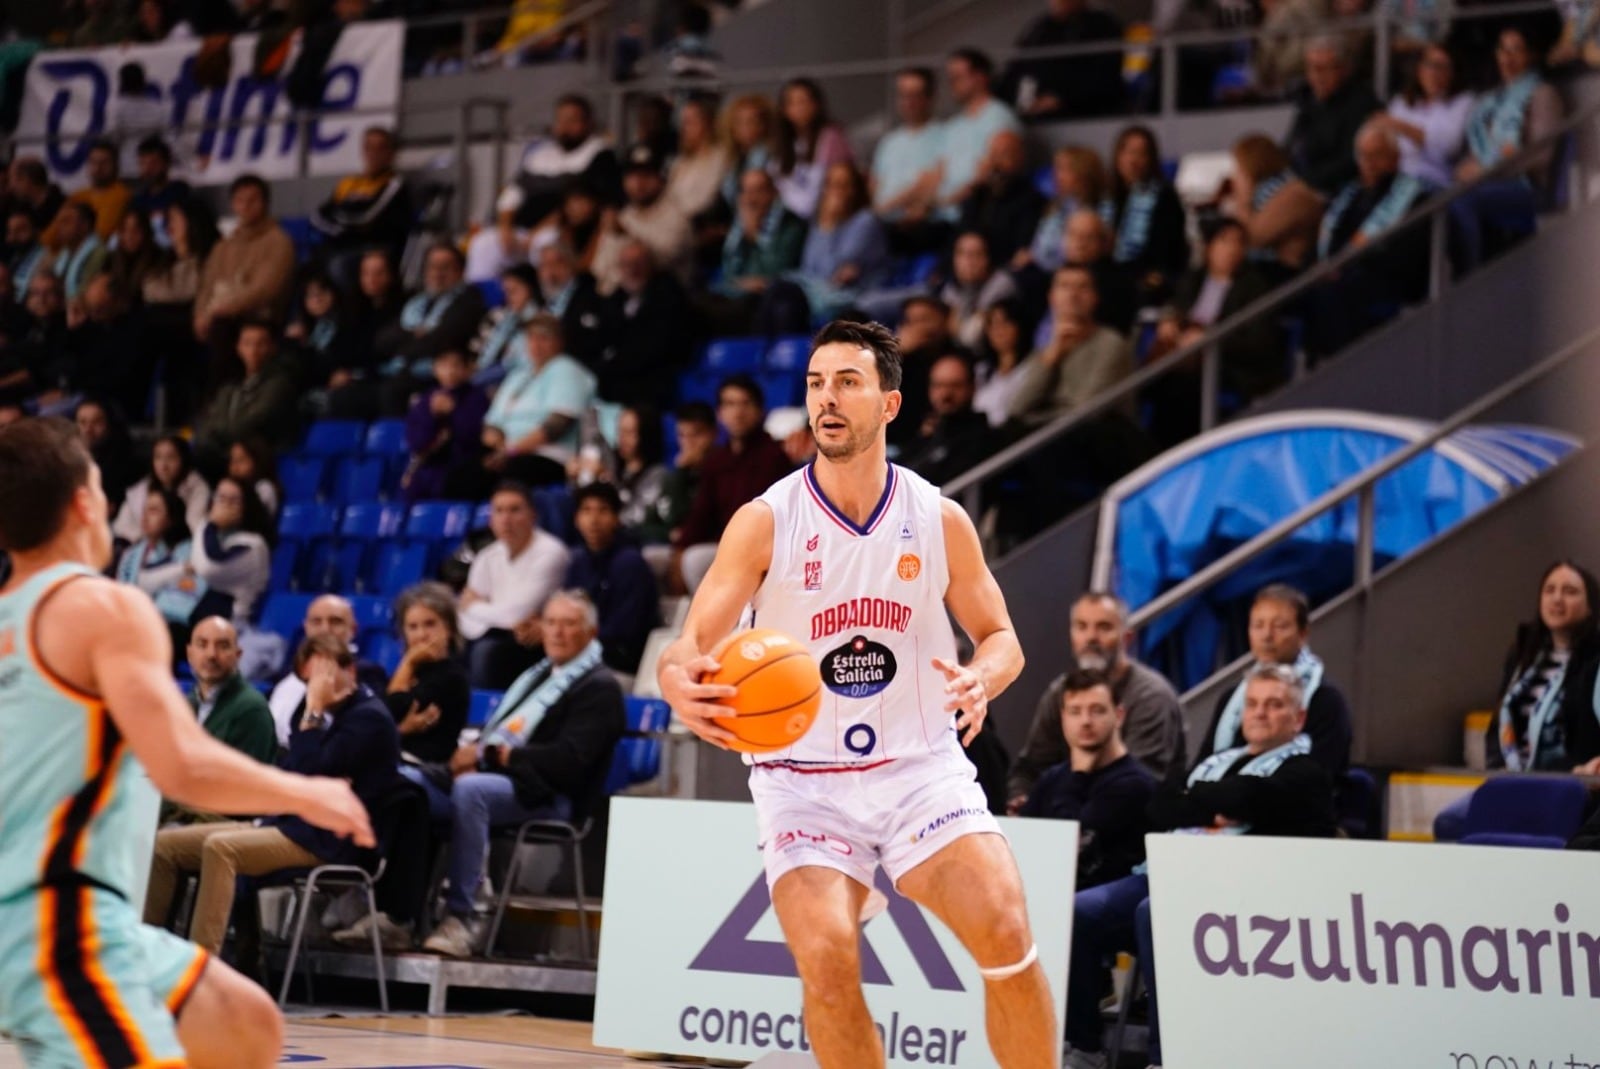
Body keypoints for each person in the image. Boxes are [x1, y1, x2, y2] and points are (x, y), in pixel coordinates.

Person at [659, 319, 1059, 1069]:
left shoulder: (938, 518)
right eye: (815, 383)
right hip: (802, 781)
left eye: (847, 382)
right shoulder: (764, 521)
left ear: (890, 404)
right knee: (830, 967)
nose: (827, 400)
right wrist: (678, 679)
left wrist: (984, 675)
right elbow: (692, 639)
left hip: (919, 769)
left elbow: (1002, 635)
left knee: (1007, 932)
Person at [0, 417, 372, 1069]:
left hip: (57, 920)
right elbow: (181, 763)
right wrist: (307, 789)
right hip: (51, 921)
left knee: (244, 1023)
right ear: (87, 502)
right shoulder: (103, 607)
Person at [1064, 665, 1337, 1069]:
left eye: (1274, 705)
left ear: (1297, 719)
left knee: (1155, 913)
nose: (1260, 713)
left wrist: (1202, 801)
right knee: (1079, 912)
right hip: (1168, 872)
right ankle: (1085, 1048)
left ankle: (1166, 1057)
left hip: (1246, 893)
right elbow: (1159, 806)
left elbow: (1252, 797)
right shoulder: (1217, 761)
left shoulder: (1306, 771)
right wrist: (1218, 803)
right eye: (1253, 704)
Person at [144, 635, 399, 956]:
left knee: (221, 847)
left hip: (329, 840)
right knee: (166, 847)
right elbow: (297, 775)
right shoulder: (307, 713)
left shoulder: (368, 717)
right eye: (311, 681)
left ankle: (200, 968)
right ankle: (146, 955)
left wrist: (315, 712)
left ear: (350, 672)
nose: (317, 687)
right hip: (289, 822)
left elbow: (307, 773)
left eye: (326, 676)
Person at [417, 589, 626, 957]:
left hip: (551, 796)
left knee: (471, 792)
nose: (558, 632)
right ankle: (395, 914)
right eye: (551, 623)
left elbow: (569, 763)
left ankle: (464, 918)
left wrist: (495, 756)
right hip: (507, 780)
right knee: (410, 784)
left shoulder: (600, 688)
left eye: (569, 624)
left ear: (591, 634)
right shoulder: (536, 677)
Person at [1435, 560, 1600, 840]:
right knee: (1450, 822)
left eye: (1570, 591)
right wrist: (1497, 765)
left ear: (1591, 604)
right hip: (1515, 776)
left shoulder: (1595, 659)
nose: (1557, 598)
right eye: (1550, 590)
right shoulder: (1524, 653)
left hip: (1572, 781)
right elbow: (1499, 722)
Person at [1009, 591, 1186, 806]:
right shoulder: (1060, 691)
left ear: (1127, 638)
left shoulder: (1151, 696)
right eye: (1082, 626)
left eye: (1104, 627)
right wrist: (1022, 800)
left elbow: (1142, 784)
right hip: (1065, 814)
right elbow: (1031, 766)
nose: (1091, 637)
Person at [1144, 219, 1284, 445]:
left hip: (1228, 363)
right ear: (1209, 247)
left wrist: (1212, 339)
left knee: (1178, 385)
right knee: (1163, 377)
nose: (1232, 249)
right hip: (1186, 355)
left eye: (1239, 243)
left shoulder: (1254, 286)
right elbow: (1175, 303)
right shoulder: (1195, 278)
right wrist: (1168, 318)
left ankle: (1175, 447)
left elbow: (1260, 342)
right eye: (1225, 241)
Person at [1193, 583, 1353, 777]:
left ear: (1303, 634)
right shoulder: (1231, 697)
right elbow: (1203, 761)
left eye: (1279, 626)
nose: (1267, 636)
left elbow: (1320, 776)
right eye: (1258, 625)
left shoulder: (1325, 700)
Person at [1305, 119, 1432, 358]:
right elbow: (1326, 240)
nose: (1369, 164)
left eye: (1377, 156)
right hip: (1344, 276)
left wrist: (1348, 267)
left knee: (1333, 294)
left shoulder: (1415, 197)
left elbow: (1409, 254)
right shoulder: (1349, 196)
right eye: (1363, 156)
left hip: (1385, 279)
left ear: (1396, 158)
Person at [1019, 668, 1156, 889]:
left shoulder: (1136, 785)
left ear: (1119, 715)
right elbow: (1022, 845)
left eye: (1097, 710)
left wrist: (1079, 775)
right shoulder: (1052, 779)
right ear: (1063, 717)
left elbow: (1071, 851)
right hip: (1043, 893)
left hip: (1099, 903)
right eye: (1075, 711)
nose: (1085, 721)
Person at [466, 94, 622, 282]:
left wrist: (536, 233)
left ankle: (551, 301)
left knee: (549, 245)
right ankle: (481, 302)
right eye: (561, 120)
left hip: (558, 230)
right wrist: (505, 227)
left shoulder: (599, 154)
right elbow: (512, 193)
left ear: (588, 123)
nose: (565, 127)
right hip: (522, 231)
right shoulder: (541, 154)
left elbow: (578, 204)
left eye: (572, 120)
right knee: (483, 244)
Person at [1448, 26, 1565, 273]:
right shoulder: (1490, 100)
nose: (1508, 58)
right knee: (1437, 197)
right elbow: (1478, 150)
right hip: (1487, 183)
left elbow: (1541, 155)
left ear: (1531, 55)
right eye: (1503, 50)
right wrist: (1464, 169)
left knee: (1464, 200)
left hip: (1527, 186)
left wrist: (1486, 170)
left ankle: (1469, 279)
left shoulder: (1543, 93)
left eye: (1517, 50)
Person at [670, 374, 792, 594]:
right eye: (730, 404)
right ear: (720, 413)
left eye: (745, 404)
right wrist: (679, 549)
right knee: (666, 558)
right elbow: (702, 513)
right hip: (723, 545)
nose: (738, 412)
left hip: (761, 546)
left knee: (695, 559)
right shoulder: (717, 460)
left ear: (760, 411)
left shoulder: (774, 456)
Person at [458, 313, 598, 493]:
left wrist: (511, 451)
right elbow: (490, 424)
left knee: (510, 473)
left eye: (544, 338)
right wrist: (495, 442)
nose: (536, 344)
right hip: (505, 452)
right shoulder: (518, 375)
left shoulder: (568, 370)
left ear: (559, 341)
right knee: (461, 473)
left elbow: (556, 426)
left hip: (546, 455)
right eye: (531, 337)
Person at [459, 482, 572, 689]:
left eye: (515, 510)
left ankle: (486, 718)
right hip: (491, 635)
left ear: (533, 515)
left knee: (486, 653)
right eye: (499, 511)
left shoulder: (551, 553)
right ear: (491, 519)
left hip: (535, 642)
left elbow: (517, 615)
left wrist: (475, 606)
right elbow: (464, 618)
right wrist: (481, 612)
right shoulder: (486, 556)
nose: (506, 519)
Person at [192, 175, 296, 389]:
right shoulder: (223, 246)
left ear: (265, 203)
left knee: (221, 330)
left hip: (260, 317)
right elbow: (206, 285)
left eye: (253, 200)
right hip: (219, 315)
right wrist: (200, 314)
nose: (246, 206)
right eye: (240, 200)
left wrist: (221, 309)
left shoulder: (279, 241)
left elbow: (267, 289)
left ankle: (221, 403)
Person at [1007, 266, 1132, 426]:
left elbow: (1085, 413)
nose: (1073, 295)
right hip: (1048, 434)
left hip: (1098, 437)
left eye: (1082, 287)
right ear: (1052, 298)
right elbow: (1015, 408)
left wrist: (1034, 421)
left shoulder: (1111, 343)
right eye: (1064, 286)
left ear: (1095, 298)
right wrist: (1053, 356)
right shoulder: (1047, 348)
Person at [266, 593, 390, 746]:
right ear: (306, 627)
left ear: (353, 629)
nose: (325, 629)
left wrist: (315, 708)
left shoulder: (366, 673)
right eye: (317, 622)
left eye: (335, 622)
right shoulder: (290, 671)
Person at [565, 481, 660, 673]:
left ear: (616, 518)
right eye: (587, 510)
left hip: (620, 658)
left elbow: (626, 630)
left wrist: (580, 639)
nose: (594, 519)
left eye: (603, 510)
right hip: (584, 650)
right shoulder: (577, 561)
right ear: (576, 518)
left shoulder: (630, 562)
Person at [191, 320, 301, 476]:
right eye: (247, 343)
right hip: (223, 452)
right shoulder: (230, 388)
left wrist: (218, 435)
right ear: (238, 347)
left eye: (260, 344)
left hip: (259, 458)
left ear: (272, 348)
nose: (253, 350)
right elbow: (207, 422)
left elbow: (251, 421)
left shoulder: (279, 385)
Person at [592, 240, 692, 407]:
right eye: (626, 264)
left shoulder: (667, 295)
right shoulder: (616, 299)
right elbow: (602, 340)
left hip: (651, 385)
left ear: (651, 265)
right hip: (616, 384)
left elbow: (658, 345)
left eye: (638, 263)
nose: (632, 269)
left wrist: (614, 361)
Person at [310, 126, 413, 284]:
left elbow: (366, 218)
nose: (373, 154)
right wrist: (339, 228)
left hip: (376, 248)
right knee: (310, 266)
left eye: (380, 148)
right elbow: (317, 216)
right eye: (368, 147)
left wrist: (339, 217)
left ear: (391, 154)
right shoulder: (348, 183)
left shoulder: (394, 184)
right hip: (342, 245)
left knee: (340, 265)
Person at [383, 581, 471, 765]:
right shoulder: (410, 673)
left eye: (430, 624)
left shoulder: (451, 676)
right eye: (412, 627)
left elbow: (393, 710)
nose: (421, 635)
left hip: (426, 769)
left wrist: (407, 663)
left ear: (448, 628)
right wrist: (403, 729)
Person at [1285, 36, 1385, 197]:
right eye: (1312, 68)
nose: (1318, 76)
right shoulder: (1308, 99)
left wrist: (1305, 181)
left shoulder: (1360, 102)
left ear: (1343, 69)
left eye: (1324, 68)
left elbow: (1351, 160)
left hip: (1332, 190)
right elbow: (1291, 145)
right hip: (1297, 180)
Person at [1100, 125, 1189, 302]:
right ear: (1118, 156)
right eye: (1128, 152)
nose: (1133, 160)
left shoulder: (1165, 196)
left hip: (1145, 274)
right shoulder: (1104, 196)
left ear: (1151, 159)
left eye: (1141, 153)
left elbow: (1168, 250)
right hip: (1107, 272)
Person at [591, 142, 694, 293]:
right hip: (616, 302)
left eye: (646, 175)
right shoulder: (625, 216)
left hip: (661, 303)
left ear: (661, 178)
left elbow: (659, 260)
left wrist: (624, 234)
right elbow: (600, 268)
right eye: (632, 175)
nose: (638, 183)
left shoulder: (677, 218)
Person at [1000, 0, 1124, 121]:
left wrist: (1061, 99)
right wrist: (1024, 102)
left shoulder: (1102, 24)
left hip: (1086, 112)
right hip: (1035, 113)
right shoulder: (1040, 28)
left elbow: (1106, 74)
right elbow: (1017, 69)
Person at [935, 49, 1022, 216]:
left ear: (980, 77)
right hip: (941, 213)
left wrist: (951, 200)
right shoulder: (952, 125)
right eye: (950, 79)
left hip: (976, 211)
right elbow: (938, 172)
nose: (952, 84)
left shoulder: (999, 118)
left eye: (958, 77)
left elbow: (992, 172)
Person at [1224, 133, 1325, 273]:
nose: (1234, 174)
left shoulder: (1292, 194)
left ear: (1253, 163)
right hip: (1265, 270)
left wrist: (1243, 199)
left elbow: (1250, 239)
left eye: (1238, 168)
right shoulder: (1262, 193)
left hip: (1285, 274)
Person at [183, 616, 279, 765]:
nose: (211, 654)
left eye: (222, 646)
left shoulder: (252, 709)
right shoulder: (187, 702)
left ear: (237, 655)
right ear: (190, 654)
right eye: (202, 645)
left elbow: (247, 781)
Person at [870, 67, 948, 248]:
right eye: (903, 95)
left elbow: (930, 184)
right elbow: (874, 186)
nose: (908, 102)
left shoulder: (944, 136)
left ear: (930, 98)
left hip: (922, 223)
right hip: (883, 222)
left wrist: (884, 208)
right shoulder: (889, 142)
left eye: (915, 95)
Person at [1378, 43, 1474, 189]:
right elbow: (1385, 138)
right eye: (1430, 65)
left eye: (1443, 67)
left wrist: (1403, 128)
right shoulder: (1402, 102)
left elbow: (1449, 146)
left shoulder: (1463, 102)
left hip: (1433, 180)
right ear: (1419, 69)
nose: (1434, 73)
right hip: (1394, 176)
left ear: (1453, 72)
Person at [185, 476, 273, 630]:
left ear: (246, 506)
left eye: (233, 501)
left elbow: (207, 567)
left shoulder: (254, 545)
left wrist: (210, 523)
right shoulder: (217, 537)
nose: (225, 506)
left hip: (233, 627)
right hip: (204, 619)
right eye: (221, 498)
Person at [403, 348, 490, 503]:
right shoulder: (425, 400)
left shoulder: (477, 397)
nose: (450, 372)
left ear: (467, 369)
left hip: (462, 466)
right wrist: (432, 416)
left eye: (456, 366)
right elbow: (416, 443)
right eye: (444, 365)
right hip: (428, 467)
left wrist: (454, 411)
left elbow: (472, 435)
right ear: (435, 368)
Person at [900, 352, 998, 486]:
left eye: (955, 386)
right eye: (938, 385)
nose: (946, 394)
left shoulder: (983, 439)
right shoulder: (928, 435)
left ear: (972, 388)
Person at [957, 129, 1046, 268]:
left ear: (1020, 158)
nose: (995, 163)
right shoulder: (978, 195)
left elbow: (1018, 252)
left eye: (1003, 154)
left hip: (999, 271)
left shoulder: (1030, 199)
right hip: (966, 271)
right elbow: (961, 236)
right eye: (992, 155)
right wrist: (975, 188)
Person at [772, 78, 855, 221]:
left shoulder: (831, 137)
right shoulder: (783, 143)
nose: (799, 108)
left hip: (822, 215)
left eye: (803, 101)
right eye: (792, 103)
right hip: (789, 216)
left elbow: (840, 180)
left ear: (816, 104)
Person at [1019, 145, 1108, 275]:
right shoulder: (1056, 206)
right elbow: (1041, 241)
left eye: (1064, 169)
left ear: (1083, 173)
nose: (1056, 175)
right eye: (1056, 168)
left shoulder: (1096, 209)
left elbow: (1078, 251)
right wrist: (1031, 254)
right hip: (1038, 267)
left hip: (1071, 271)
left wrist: (1037, 258)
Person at [941, 230, 1019, 350]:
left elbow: (972, 338)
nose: (968, 261)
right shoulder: (951, 287)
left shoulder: (1002, 285)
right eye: (962, 254)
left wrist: (955, 327)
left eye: (976, 254)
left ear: (989, 259)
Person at [47, 139, 131, 245]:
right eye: (93, 162)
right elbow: (50, 236)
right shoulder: (78, 196)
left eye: (104, 163)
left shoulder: (120, 194)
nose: (97, 168)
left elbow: (101, 235)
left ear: (116, 165)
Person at [665, 95, 731, 224]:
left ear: (708, 123)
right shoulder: (681, 161)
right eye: (683, 122)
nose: (684, 128)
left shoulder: (720, 157)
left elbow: (706, 200)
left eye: (690, 122)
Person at [471, 263, 538, 387]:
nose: (508, 298)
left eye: (514, 291)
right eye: (506, 292)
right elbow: (485, 356)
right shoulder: (506, 317)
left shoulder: (539, 319)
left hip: (519, 377)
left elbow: (521, 362)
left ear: (531, 289)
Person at [973, 298, 1034, 428]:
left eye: (1005, 322)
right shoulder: (981, 371)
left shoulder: (1035, 365)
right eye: (992, 325)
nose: (998, 330)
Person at [47, 202, 107, 303]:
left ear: (85, 225)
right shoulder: (64, 252)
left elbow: (85, 292)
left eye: (66, 222)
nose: (58, 227)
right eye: (58, 222)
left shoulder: (99, 253)